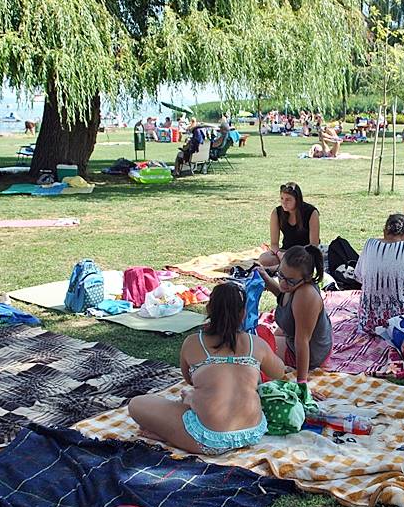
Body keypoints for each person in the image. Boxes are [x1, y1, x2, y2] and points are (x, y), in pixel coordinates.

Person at [128, 283, 286, 455]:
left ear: (209, 309)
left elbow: (190, 380)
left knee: (137, 404)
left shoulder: (193, 343)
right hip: (252, 431)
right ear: (243, 314)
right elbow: (279, 372)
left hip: (210, 439)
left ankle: (171, 435)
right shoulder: (256, 344)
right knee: (193, 400)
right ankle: (183, 420)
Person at [257, 245, 332, 384]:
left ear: (307, 278)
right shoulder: (294, 285)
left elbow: (302, 342)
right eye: (280, 275)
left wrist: (301, 381)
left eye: (290, 280)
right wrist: (266, 278)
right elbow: (282, 294)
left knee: (257, 345)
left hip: (310, 355)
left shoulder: (305, 295)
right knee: (264, 336)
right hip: (300, 341)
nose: (283, 283)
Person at [258, 182, 320, 268]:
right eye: (282, 198)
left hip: (305, 252)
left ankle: (282, 267)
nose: (284, 202)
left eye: (288, 199)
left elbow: (314, 244)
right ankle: (285, 266)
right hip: (286, 251)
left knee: (303, 261)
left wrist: (294, 255)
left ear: (297, 200)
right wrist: (279, 254)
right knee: (264, 258)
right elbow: (274, 244)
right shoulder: (277, 212)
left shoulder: (311, 212)